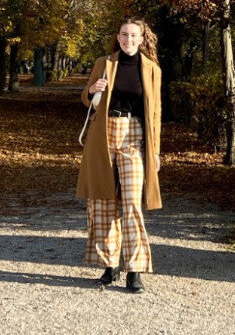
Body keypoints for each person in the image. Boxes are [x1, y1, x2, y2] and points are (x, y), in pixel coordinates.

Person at [76, 16, 162, 293]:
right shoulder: (105, 63)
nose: (128, 40)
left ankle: (134, 270)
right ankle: (110, 264)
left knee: (133, 204)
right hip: (103, 135)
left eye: (134, 35)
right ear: (118, 36)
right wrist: (92, 90)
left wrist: (156, 152)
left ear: (142, 38)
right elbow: (85, 99)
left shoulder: (151, 69)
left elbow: (156, 113)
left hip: (134, 138)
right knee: (103, 203)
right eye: (124, 35)